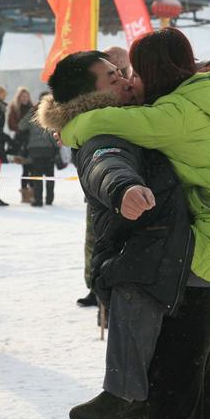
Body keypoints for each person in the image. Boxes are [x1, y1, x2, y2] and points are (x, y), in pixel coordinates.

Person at [60, 29, 210, 307]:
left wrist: (68, 125)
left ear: (154, 73)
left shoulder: (173, 114)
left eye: (134, 73)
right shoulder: (195, 100)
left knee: (129, 274)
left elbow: (108, 122)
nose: (130, 82)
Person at [77, 47, 132, 309]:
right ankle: (94, 284)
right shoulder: (88, 102)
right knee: (97, 238)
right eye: (113, 69)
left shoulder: (137, 94)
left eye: (122, 68)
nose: (119, 73)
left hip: (131, 185)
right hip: (101, 184)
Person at [18, 92, 57, 207]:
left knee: (37, 175)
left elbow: (21, 126)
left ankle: (38, 200)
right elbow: (54, 131)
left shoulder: (33, 111)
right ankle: (49, 199)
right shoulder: (52, 111)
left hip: (34, 149)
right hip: (49, 149)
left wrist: (31, 112)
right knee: (50, 175)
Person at [7, 86, 34, 203]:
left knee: (32, 168)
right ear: (19, 97)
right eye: (23, 96)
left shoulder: (32, 108)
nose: (25, 98)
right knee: (25, 169)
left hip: (32, 141)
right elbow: (11, 125)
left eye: (26, 96)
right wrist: (21, 127)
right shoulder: (14, 108)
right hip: (21, 142)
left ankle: (33, 193)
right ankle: (25, 194)